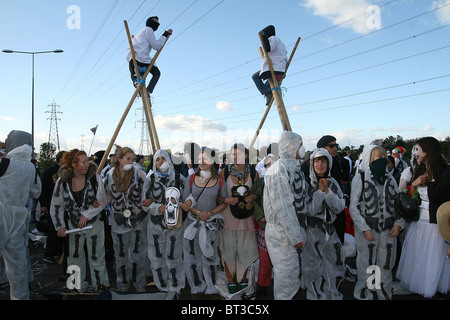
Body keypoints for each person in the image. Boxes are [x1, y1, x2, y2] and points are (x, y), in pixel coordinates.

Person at [396, 137, 450, 298]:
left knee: (433, 259)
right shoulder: (418, 171)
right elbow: (406, 196)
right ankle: (417, 286)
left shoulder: (445, 172)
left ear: (428, 151)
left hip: (436, 224)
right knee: (417, 256)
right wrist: (414, 184)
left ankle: (432, 288)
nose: (415, 153)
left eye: (418, 150)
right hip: (418, 222)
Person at [349, 145, 404, 300]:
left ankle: (383, 292)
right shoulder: (360, 178)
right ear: (369, 159)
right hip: (368, 230)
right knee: (366, 262)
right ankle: (364, 291)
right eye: (377, 158)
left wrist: (398, 223)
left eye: (383, 158)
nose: (381, 161)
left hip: (388, 230)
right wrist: (364, 228)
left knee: (385, 263)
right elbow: (354, 207)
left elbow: (398, 204)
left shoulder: (390, 179)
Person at [50, 149, 109, 293]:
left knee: (96, 255)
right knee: (74, 256)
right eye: (82, 162)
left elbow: (102, 201)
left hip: (94, 224)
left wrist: (87, 214)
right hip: (73, 225)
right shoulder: (62, 182)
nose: (86, 165)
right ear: (73, 165)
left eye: (87, 161)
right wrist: (60, 227)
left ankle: (100, 285)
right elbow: (57, 205)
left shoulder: (94, 178)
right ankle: (76, 286)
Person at [263, 131, 308, 300]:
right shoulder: (277, 169)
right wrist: (296, 235)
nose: (302, 149)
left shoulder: (294, 167)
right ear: (290, 145)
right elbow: (282, 206)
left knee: (294, 274)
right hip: (282, 234)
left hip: (294, 231)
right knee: (286, 277)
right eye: (300, 144)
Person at [145, 149, 194, 295]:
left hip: (175, 226)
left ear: (169, 160)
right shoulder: (150, 179)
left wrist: (188, 203)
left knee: (174, 257)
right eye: (157, 159)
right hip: (155, 225)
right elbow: (145, 202)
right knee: (156, 257)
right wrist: (156, 208)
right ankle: (161, 287)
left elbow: (189, 195)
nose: (161, 162)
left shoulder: (179, 178)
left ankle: (176, 288)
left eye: (163, 158)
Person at [104, 146, 152, 292]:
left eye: (133, 159)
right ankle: (123, 283)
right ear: (119, 159)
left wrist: (149, 201)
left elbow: (148, 193)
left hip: (138, 220)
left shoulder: (139, 174)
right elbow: (105, 196)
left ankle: (139, 284)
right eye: (128, 159)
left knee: (138, 254)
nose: (131, 162)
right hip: (119, 220)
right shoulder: (109, 175)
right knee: (121, 253)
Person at [0, 130, 41, 300]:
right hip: (19, 216)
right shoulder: (31, 167)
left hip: (1, 212)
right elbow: (36, 192)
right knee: (17, 261)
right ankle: (21, 296)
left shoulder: (5, 163)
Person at [183, 147, 227, 297]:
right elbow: (186, 200)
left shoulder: (220, 181)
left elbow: (223, 202)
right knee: (192, 257)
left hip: (211, 225)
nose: (201, 161)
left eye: (205, 158)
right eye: (200, 158)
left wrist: (211, 213)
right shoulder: (190, 179)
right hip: (193, 223)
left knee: (211, 256)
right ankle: (196, 287)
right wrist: (198, 213)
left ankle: (211, 286)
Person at [302, 148, 346, 300]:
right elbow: (310, 210)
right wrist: (320, 193)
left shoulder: (332, 182)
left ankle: (332, 293)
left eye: (323, 161)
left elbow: (339, 207)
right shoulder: (307, 183)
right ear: (312, 163)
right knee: (312, 267)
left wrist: (328, 192)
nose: (320, 164)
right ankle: (314, 296)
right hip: (313, 230)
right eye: (317, 161)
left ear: (329, 163)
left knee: (335, 264)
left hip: (331, 230)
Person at [219, 143, 259, 293]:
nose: (236, 157)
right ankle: (230, 279)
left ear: (246, 155)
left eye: (239, 154)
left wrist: (253, 196)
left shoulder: (254, 173)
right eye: (233, 155)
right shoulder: (225, 173)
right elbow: (219, 196)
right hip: (228, 219)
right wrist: (226, 200)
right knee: (228, 250)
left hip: (246, 220)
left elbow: (258, 194)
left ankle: (242, 279)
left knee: (245, 250)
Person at [248, 154, 277, 299]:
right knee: (265, 262)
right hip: (265, 227)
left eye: (273, 164)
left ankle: (281, 286)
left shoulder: (284, 181)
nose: (270, 167)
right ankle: (263, 286)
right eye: (267, 165)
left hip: (281, 229)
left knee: (281, 261)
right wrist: (260, 216)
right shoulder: (261, 182)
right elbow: (252, 199)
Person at [126, 16, 172, 96]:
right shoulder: (148, 30)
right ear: (149, 21)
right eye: (155, 21)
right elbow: (156, 46)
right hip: (140, 58)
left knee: (153, 73)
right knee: (156, 73)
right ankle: (147, 90)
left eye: (157, 22)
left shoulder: (140, 33)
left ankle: (141, 88)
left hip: (136, 59)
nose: (156, 24)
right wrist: (165, 35)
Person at [39, 150, 66, 264]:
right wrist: (43, 204)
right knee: (53, 228)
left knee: (62, 229)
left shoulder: (66, 172)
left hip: (62, 204)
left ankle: (57, 252)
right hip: (51, 203)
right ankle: (49, 253)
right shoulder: (49, 171)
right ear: (60, 159)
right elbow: (42, 189)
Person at [252, 25, 287, 106]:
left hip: (274, 68)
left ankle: (267, 93)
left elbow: (268, 48)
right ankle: (269, 93)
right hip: (280, 68)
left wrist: (263, 37)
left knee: (255, 77)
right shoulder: (281, 44)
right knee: (268, 84)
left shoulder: (273, 39)